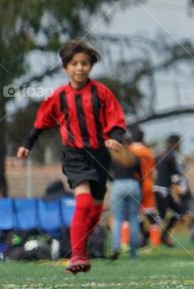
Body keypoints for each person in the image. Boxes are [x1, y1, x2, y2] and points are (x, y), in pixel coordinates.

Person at [17, 38, 127, 273]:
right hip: (74, 155)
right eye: (74, 63)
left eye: (84, 63)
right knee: (84, 201)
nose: (80, 68)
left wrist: (115, 138)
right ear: (66, 67)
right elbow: (41, 122)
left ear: (90, 66)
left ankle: (80, 246)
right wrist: (27, 144)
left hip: (100, 156)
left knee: (95, 210)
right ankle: (77, 255)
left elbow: (115, 120)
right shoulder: (59, 96)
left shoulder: (101, 92)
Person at [108, 134, 141, 259]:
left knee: (117, 219)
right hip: (134, 185)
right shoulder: (134, 156)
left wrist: (114, 181)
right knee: (133, 218)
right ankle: (134, 252)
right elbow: (141, 174)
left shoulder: (112, 157)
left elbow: (107, 174)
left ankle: (115, 248)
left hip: (118, 185)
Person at [127, 126, 158, 246]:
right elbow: (154, 171)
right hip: (148, 184)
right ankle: (155, 242)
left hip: (135, 184)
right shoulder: (148, 152)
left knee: (136, 213)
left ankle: (142, 238)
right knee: (151, 214)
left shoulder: (129, 151)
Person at [153, 134, 186, 247]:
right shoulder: (172, 156)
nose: (180, 146)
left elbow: (156, 168)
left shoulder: (160, 154)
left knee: (175, 212)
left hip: (159, 188)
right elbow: (177, 174)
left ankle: (162, 236)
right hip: (163, 190)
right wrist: (178, 186)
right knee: (165, 214)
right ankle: (149, 236)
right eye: (179, 143)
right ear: (174, 143)